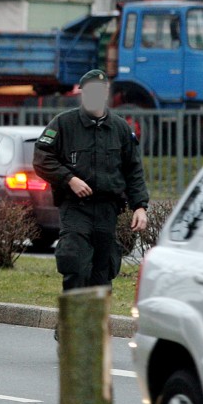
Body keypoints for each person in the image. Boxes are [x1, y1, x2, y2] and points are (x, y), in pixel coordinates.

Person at [33, 69, 149, 302]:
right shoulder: (64, 123)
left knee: (102, 273)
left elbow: (133, 170)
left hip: (108, 209)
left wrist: (140, 207)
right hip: (76, 208)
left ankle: (92, 332)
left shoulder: (120, 128)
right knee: (75, 265)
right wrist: (69, 180)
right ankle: (73, 329)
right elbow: (42, 159)